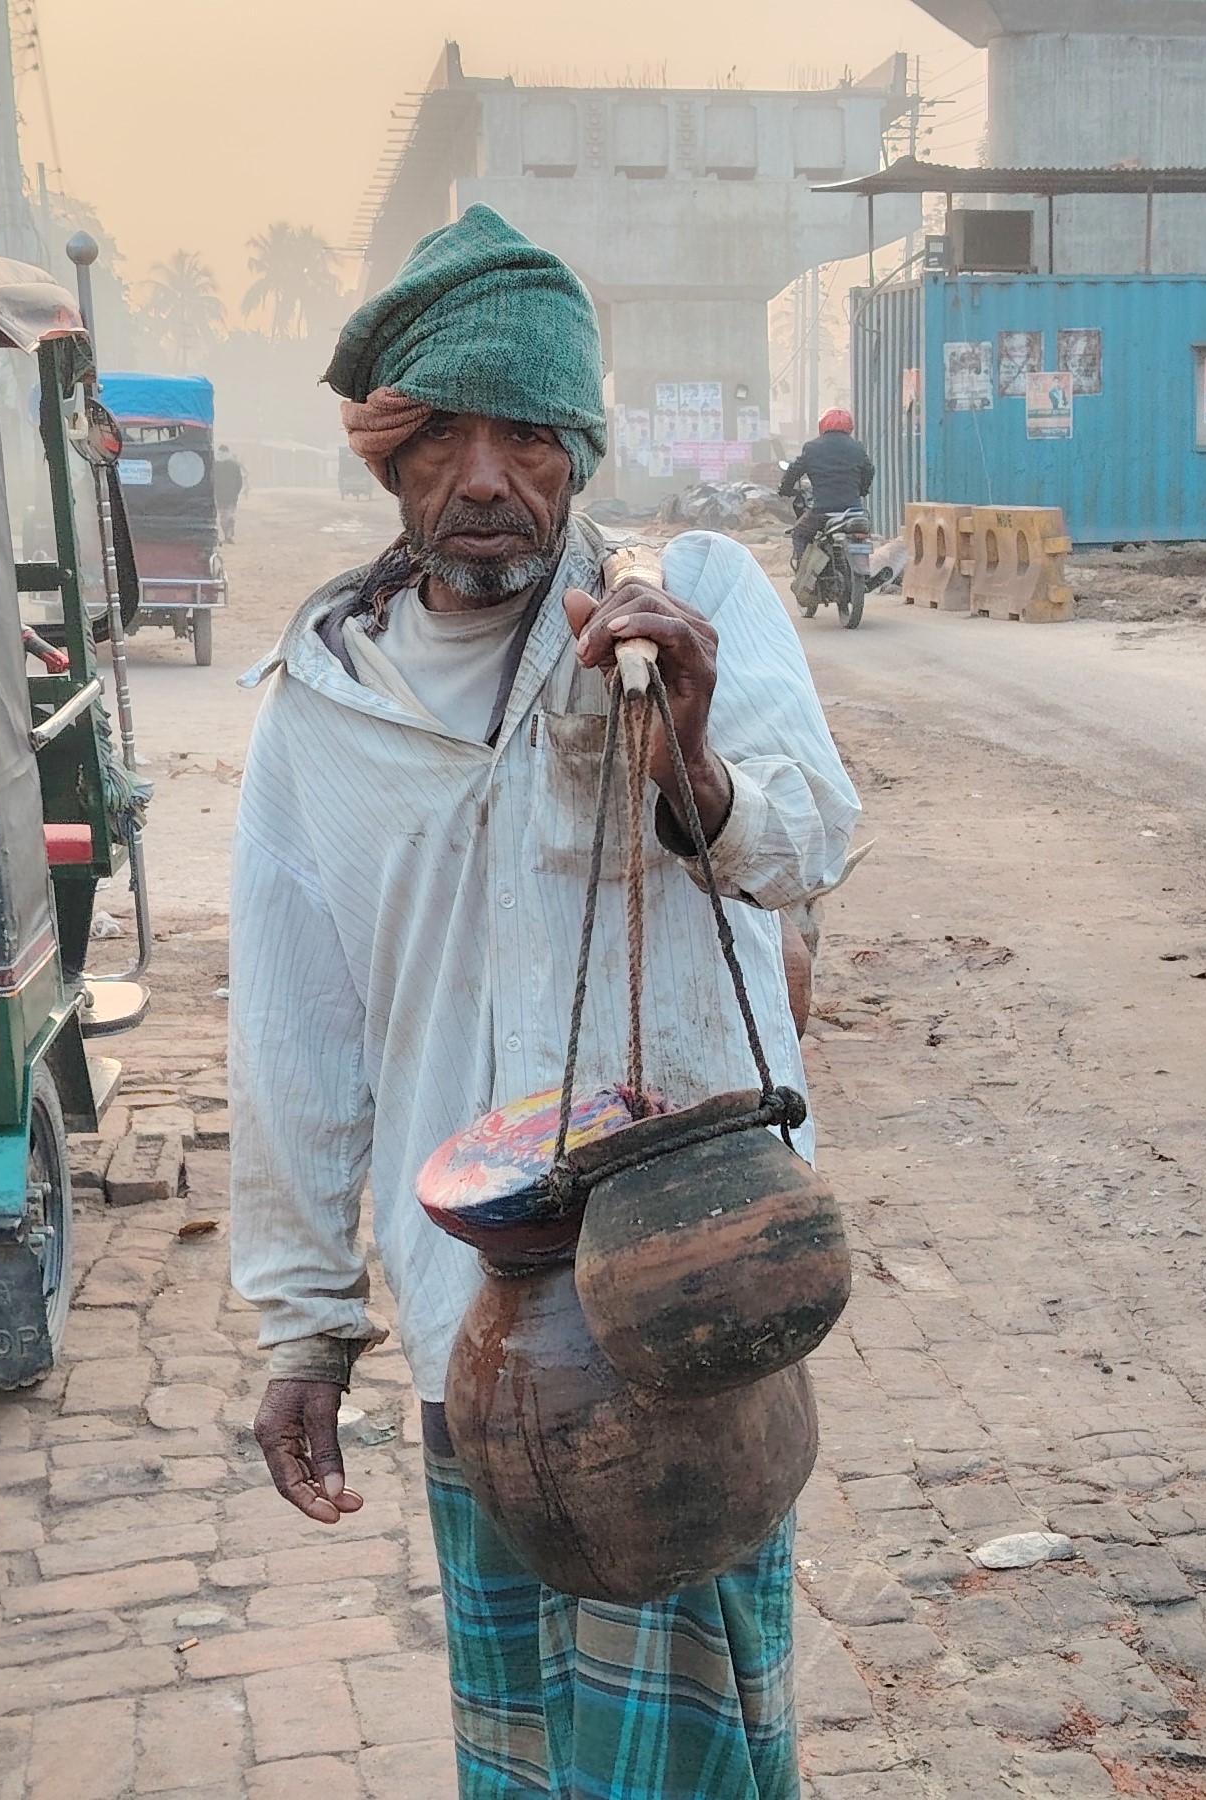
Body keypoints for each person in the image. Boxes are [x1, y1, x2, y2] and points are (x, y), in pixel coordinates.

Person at [229, 204, 858, 1800]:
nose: (488, 476)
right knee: (523, 1753)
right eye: (444, 437)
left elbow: (811, 836)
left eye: (528, 434)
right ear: (391, 458)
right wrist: (306, 1324)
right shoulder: (321, 697)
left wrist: (693, 766)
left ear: (579, 449)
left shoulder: (685, 600)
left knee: (691, 1762)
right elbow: (302, 1039)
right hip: (482, 1336)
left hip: (687, 1306)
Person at [779, 407, 872, 564]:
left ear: (822, 426)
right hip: (854, 511)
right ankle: (862, 569)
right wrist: (862, 490)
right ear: (850, 427)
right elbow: (869, 472)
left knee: (799, 533)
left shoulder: (812, 448)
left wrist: (785, 489)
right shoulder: (858, 447)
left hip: (823, 511)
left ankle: (804, 574)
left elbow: (794, 471)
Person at [213, 445, 245, 543]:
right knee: (230, 514)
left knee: (223, 516)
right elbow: (239, 481)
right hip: (232, 496)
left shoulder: (216, 465)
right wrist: (236, 492)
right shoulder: (234, 465)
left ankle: (227, 535)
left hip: (220, 496)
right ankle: (230, 533)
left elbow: (212, 480)